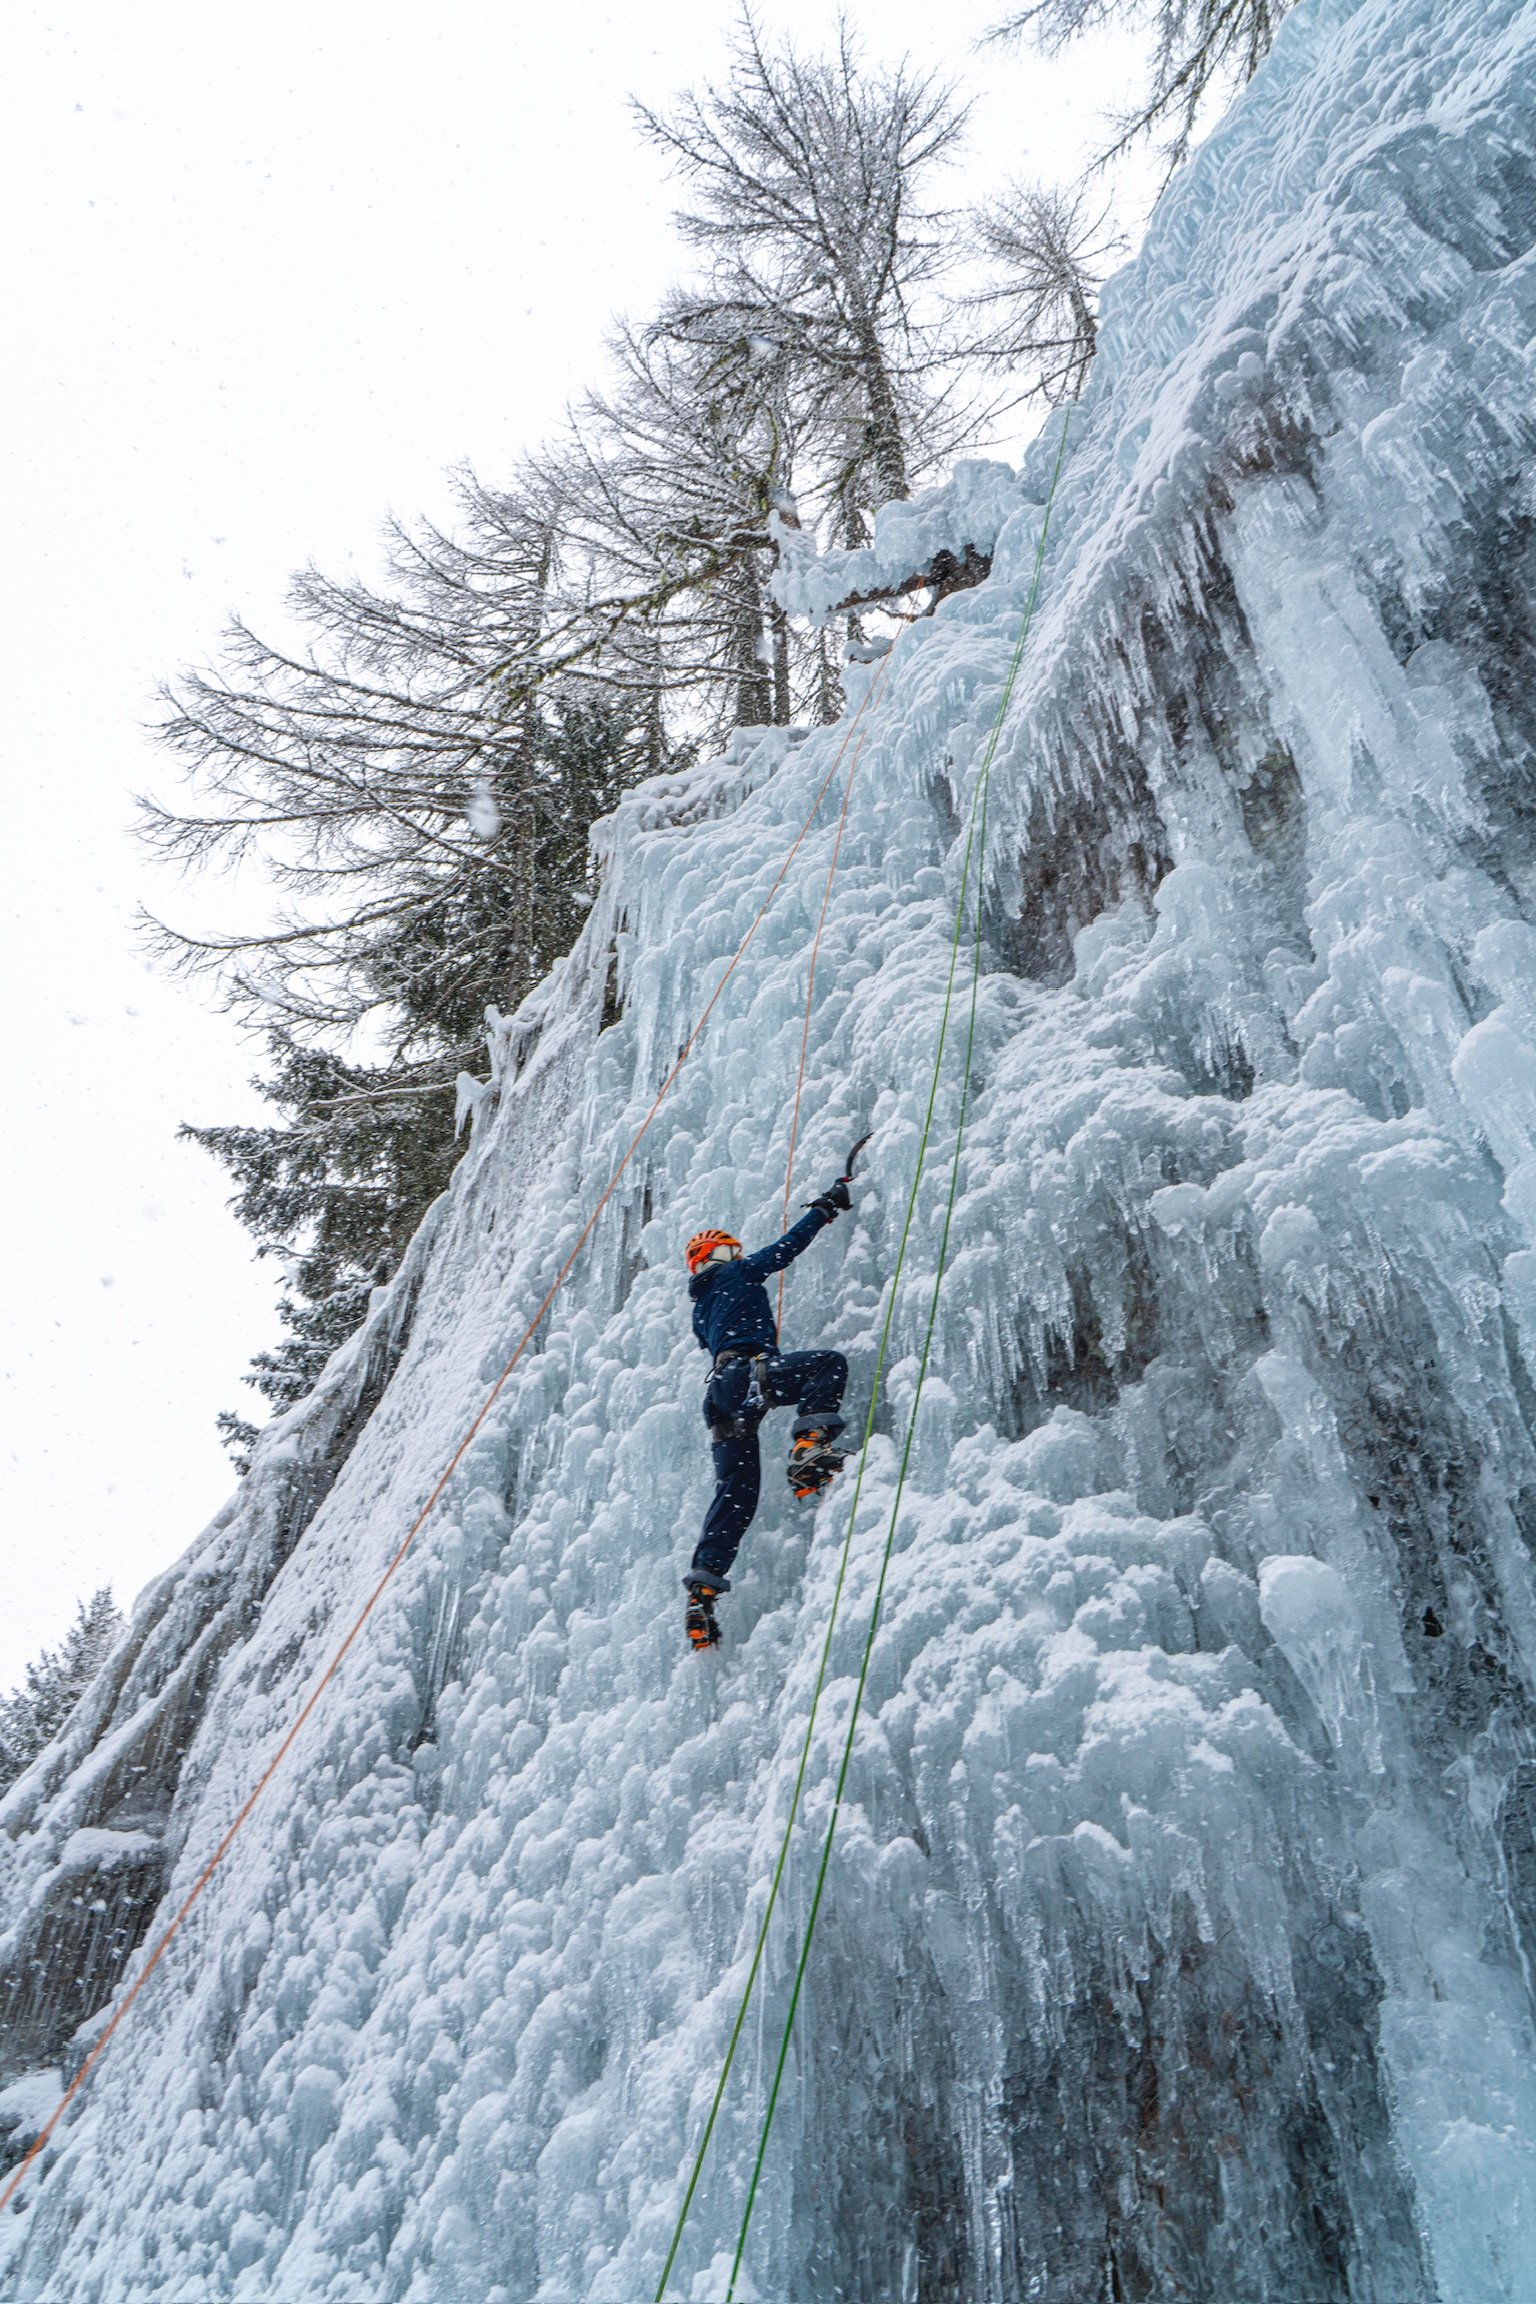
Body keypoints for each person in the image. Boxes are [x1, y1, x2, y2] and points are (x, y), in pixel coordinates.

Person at [681, 1175, 853, 1651]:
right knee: (827, 1365)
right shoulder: (733, 1274)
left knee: (736, 1495)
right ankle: (809, 1448)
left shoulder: (700, 1306)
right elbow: (783, 1250)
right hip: (748, 1375)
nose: (738, 1258)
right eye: (729, 1252)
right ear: (715, 1257)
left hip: (719, 1396)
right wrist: (823, 1209)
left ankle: (704, 1588)